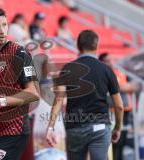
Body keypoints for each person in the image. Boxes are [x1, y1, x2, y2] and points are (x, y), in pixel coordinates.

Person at [46, 30, 124, 160]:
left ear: (78, 46)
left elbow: (58, 99)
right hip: (100, 127)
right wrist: (117, 128)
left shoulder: (67, 69)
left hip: (75, 128)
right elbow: (119, 106)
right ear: (96, 45)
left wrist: (50, 127)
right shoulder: (106, 70)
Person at [0, 7, 40, 160]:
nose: (2, 30)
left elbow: (33, 92)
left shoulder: (19, 52)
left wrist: (0, 102)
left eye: (4, 25)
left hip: (14, 129)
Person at [99, 52, 138, 160]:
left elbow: (134, 86)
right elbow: (114, 88)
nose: (111, 62)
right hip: (111, 112)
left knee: (122, 141)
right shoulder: (102, 74)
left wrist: (123, 87)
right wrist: (122, 87)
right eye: (107, 60)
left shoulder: (121, 72)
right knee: (113, 142)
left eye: (112, 59)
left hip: (125, 111)